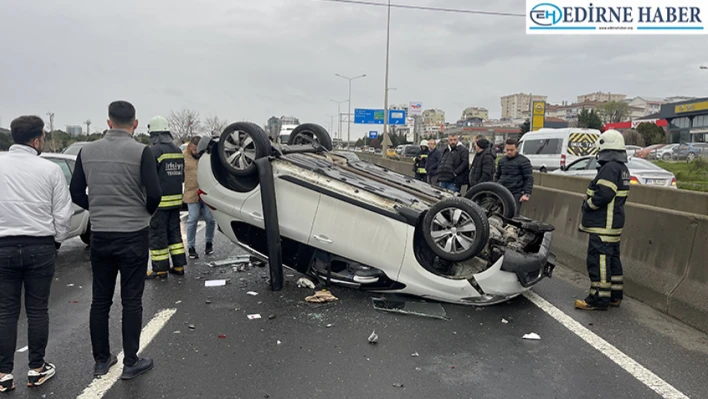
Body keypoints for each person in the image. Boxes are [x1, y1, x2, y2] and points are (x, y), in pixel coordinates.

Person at [70, 101, 161, 380]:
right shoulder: (141, 151)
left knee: (100, 300)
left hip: (101, 235)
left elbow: (75, 192)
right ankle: (131, 362)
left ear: (108, 122)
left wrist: (96, 207)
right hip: (133, 235)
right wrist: (142, 213)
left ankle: (101, 360)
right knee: (132, 300)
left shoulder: (87, 151)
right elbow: (154, 193)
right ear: (134, 124)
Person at [0, 116, 72, 391]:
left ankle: (3, 373)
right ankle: (36, 368)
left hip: (3, 245)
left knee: (5, 311)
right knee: (37, 309)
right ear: (37, 140)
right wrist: (56, 241)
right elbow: (62, 214)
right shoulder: (50, 170)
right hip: (39, 245)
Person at [575, 130, 630, 311]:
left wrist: (589, 204)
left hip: (603, 225)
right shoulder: (622, 169)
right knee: (613, 259)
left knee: (599, 261)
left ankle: (598, 298)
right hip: (614, 224)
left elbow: (604, 194)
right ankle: (614, 296)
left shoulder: (609, 168)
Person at [144, 116, 187, 279]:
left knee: (157, 234)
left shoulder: (154, 151)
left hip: (159, 202)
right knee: (174, 234)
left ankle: (160, 268)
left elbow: (149, 177)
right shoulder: (177, 150)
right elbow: (181, 176)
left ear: (154, 134)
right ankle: (178, 265)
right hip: (176, 200)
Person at [183, 136, 216, 258]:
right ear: (190, 147)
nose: (196, 152)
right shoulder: (184, 156)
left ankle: (209, 243)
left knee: (210, 218)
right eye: (194, 149)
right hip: (191, 192)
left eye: (198, 149)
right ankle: (191, 246)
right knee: (193, 218)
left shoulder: (207, 155)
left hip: (206, 191)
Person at [495, 139, 534, 216]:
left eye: (511, 150)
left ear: (516, 149)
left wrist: (527, 193)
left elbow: (529, 178)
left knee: (513, 214)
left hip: (516, 192)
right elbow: (497, 176)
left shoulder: (524, 161)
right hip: (502, 191)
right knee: (500, 214)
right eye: (507, 150)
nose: (509, 152)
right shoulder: (501, 161)